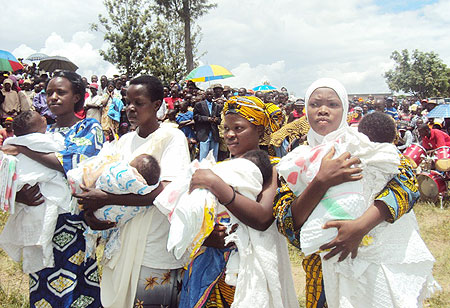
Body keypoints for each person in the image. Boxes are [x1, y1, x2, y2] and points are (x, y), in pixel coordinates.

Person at [273, 78, 425, 308]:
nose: (323, 110)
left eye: (332, 104)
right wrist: (321, 181)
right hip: (321, 267)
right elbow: (287, 222)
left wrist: (360, 227)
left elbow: (407, 184)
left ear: (344, 110)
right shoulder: (296, 160)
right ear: (305, 110)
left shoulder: (364, 146)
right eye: (315, 104)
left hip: (373, 261)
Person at [75, 75, 191, 308]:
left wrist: (105, 199)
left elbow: (165, 191)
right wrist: (93, 212)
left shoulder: (171, 137)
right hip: (122, 239)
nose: (130, 108)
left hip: (154, 242)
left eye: (139, 103)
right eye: (128, 102)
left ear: (157, 105)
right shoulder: (124, 141)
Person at [0, 71, 104, 307]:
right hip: (41, 222)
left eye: (61, 92)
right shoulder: (45, 133)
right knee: (43, 282)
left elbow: (75, 164)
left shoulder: (89, 127)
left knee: (76, 287)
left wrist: (24, 148)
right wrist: (21, 195)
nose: (53, 97)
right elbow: (22, 172)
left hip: (74, 223)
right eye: (49, 93)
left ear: (77, 96)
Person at [184, 96, 298, 308]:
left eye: (239, 128)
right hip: (212, 263)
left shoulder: (272, 168)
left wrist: (217, 186)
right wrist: (204, 235)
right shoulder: (220, 167)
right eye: (226, 128)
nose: (229, 135)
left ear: (260, 132)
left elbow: (263, 218)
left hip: (249, 266)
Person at [0, 111, 72, 275]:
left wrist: (21, 148)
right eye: (41, 119)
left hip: (34, 191)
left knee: (35, 227)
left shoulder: (13, 142)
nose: (45, 118)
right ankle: (42, 256)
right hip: (38, 189)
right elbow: (59, 150)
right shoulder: (44, 139)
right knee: (42, 225)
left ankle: (38, 257)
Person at [194, 88, 222, 161]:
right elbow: (196, 117)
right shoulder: (199, 105)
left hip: (214, 133)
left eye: (211, 94)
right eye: (208, 94)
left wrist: (216, 120)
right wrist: (207, 119)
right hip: (204, 133)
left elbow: (219, 119)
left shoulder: (216, 106)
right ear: (205, 95)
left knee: (213, 156)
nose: (209, 96)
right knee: (203, 155)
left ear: (213, 95)